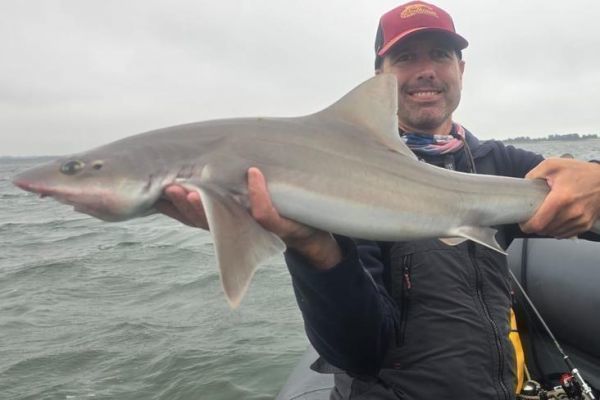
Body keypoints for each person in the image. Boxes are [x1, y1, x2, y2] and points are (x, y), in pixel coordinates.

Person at [156, 2, 600, 398]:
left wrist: (595, 184)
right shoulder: (343, 179)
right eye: (406, 57)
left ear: (461, 69)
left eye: (440, 54)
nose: (426, 69)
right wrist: (317, 250)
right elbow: (359, 351)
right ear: (379, 77)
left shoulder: (497, 162)